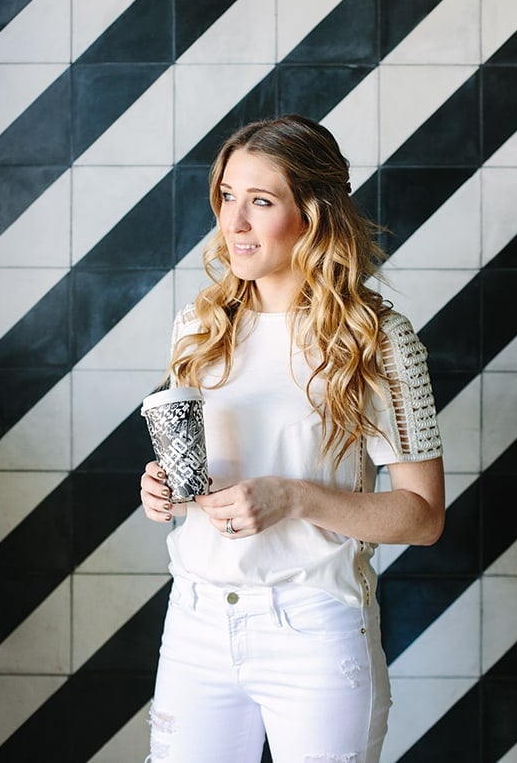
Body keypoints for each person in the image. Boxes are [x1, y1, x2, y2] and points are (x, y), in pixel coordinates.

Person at [139, 114, 445, 763]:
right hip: (195, 618)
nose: (235, 223)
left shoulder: (378, 339)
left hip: (313, 623)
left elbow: (423, 518)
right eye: (227, 196)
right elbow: (197, 474)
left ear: (312, 212)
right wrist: (163, 488)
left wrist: (295, 498)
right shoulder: (198, 324)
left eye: (261, 201)